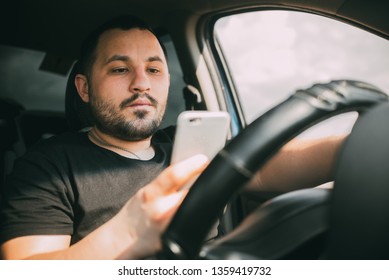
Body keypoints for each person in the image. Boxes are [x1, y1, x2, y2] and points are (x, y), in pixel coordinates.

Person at [0, 15, 345, 260]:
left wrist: (356, 146)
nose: (141, 84)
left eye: (153, 69)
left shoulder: (186, 144)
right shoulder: (45, 166)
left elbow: (263, 164)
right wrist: (128, 233)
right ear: (85, 88)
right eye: (120, 69)